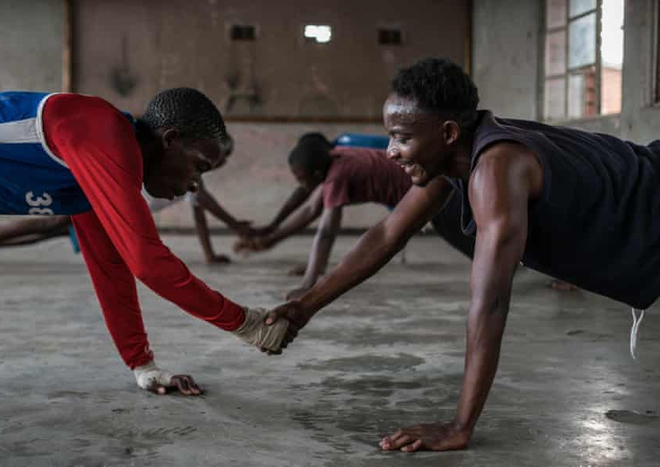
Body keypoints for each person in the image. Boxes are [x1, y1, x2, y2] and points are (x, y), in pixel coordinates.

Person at [265, 57, 660, 452]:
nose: (390, 152)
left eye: (401, 138)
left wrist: (460, 426)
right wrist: (306, 305)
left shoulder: (495, 170)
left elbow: (489, 304)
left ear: (449, 132)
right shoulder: (455, 159)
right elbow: (387, 234)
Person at [0, 88, 289, 395]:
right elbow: (147, 262)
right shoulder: (101, 130)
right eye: (199, 167)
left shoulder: (97, 166)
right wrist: (246, 323)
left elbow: (111, 267)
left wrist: (143, 366)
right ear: (171, 139)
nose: (194, 185)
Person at [0, 134, 252, 274]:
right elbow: (207, 208)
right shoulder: (184, 171)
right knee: (52, 223)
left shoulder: (192, 178)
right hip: (103, 207)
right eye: (217, 158)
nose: (218, 163)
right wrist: (234, 228)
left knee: (50, 232)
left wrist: (213, 252)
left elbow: (201, 212)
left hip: (109, 219)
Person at [236, 135, 412, 299]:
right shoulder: (335, 158)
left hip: (417, 189)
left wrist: (308, 286)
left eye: (302, 179)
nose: (300, 185)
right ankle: (318, 267)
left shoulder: (335, 178)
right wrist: (271, 238)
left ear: (317, 174)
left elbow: (326, 233)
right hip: (414, 182)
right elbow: (311, 210)